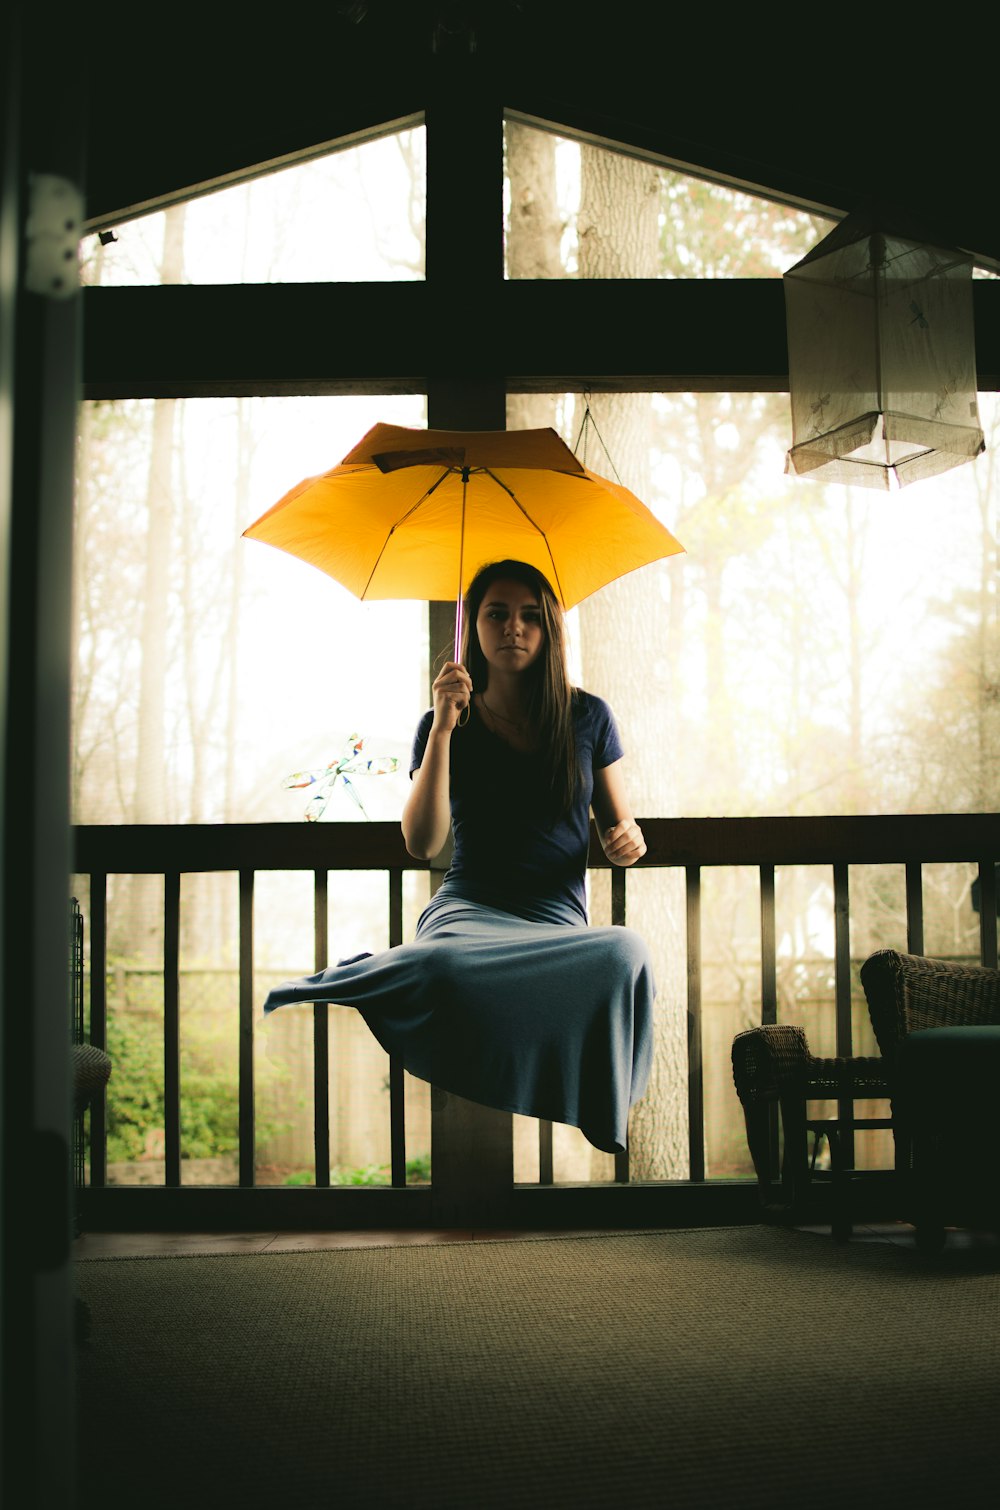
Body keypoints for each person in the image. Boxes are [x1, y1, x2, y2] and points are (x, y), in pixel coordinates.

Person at [263, 559, 655, 1153]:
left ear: (549, 628)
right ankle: (368, 972)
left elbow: (618, 828)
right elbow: (422, 843)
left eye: (528, 616)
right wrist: (444, 727)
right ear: (472, 628)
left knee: (627, 951)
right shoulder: (444, 722)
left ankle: (599, 1113)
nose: (512, 628)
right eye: (495, 614)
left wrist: (627, 840)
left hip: (553, 923)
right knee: (441, 970)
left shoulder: (587, 716)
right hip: (468, 910)